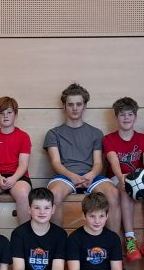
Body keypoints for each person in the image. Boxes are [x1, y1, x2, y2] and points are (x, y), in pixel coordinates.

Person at [44, 82, 120, 231]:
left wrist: (90, 175)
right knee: (53, 195)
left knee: (113, 193)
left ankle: (114, 242)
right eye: (70, 104)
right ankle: (58, 242)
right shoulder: (53, 133)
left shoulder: (96, 133)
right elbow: (56, 163)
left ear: (85, 106)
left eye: (79, 104)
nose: (75, 108)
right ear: (64, 107)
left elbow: (98, 163)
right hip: (65, 176)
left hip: (91, 176)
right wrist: (72, 176)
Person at [103, 96, 144, 261]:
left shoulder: (142, 138)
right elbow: (113, 161)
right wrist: (121, 178)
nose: (126, 118)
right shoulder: (108, 139)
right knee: (125, 188)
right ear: (116, 117)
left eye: (130, 114)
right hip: (117, 178)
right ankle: (130, 239)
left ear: (135, 117)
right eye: (122, 115)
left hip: (139, 178)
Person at [0, 96, 33, 225]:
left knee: (23, 193)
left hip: (18, 177)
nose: (5, 116)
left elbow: (23, 164)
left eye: (9, 112)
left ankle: (25, 233)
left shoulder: (23, 136)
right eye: (1, 113)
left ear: (16, 114)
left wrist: (13, 179)